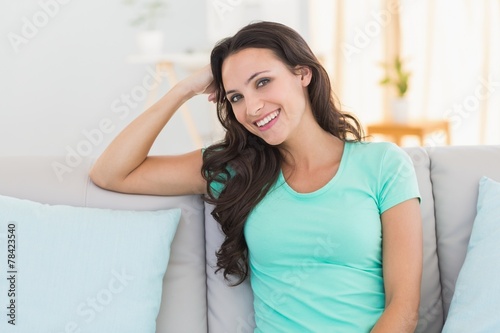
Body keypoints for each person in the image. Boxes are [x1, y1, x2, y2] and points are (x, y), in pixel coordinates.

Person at [90, 21, 422, 333]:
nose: (252, 108)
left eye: (262, 82)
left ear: (302, 74)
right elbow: (111, 173)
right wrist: (183, 89)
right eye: (235, 97)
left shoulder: (383, 165)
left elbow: (403, 307)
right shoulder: (237, 170)